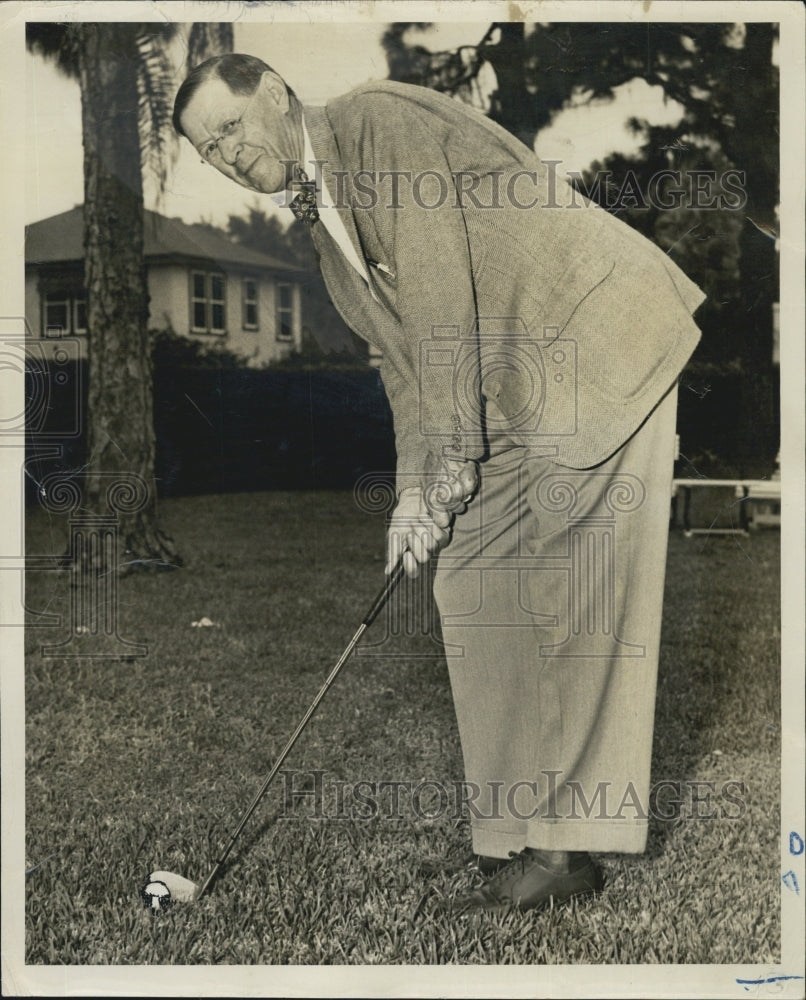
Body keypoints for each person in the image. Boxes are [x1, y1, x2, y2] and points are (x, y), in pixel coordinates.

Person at [173, 53, 705, 914]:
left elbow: (443, 303)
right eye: (208, 151)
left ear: (276, 93)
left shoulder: (378, 122)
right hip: (510, 382)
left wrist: (454, 460)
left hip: (596, 340)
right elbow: (403, 361)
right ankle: (509, 838)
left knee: (579, 595)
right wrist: (416, 496)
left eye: (228, 128)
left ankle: (566, 852)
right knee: (469, 573)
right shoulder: (325, 232)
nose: (226, 154)